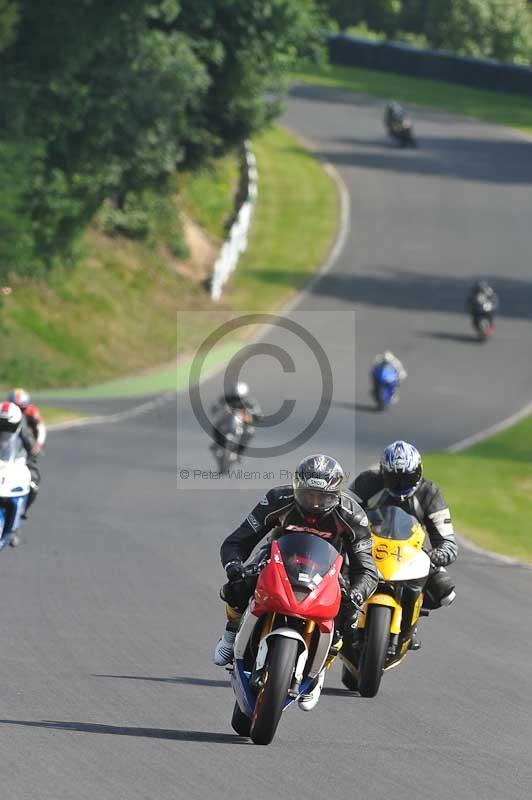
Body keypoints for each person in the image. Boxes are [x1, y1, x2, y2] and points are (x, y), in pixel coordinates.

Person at [213, 454, 379, 712]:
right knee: (238, 584)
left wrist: (357, 594)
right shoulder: (278, 499)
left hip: (326, 573)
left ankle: (320, 669)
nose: (314, 503)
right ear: (296, 488)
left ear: (335, 495)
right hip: (277, 560)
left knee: (348, 614)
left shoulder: (352, 515)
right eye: (308, 495)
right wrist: (234, 564)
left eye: (321, 497)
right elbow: (238, 540)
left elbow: (367, 568)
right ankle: (231, 631)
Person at [350, 440, 457, 652]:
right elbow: (343, 512)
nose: (400, 484)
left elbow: (448, 541)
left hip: (409, 552)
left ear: (419, 472)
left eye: (407, 478)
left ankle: (410, 625)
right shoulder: (367, 482)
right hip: (366, 546)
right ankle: (341, 616)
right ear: (383, 472)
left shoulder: (429, 493)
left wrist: (437, 554)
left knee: (445, 593)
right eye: (394, 478)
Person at [0, 402, 40, 543]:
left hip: (18, 461)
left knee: (33, 482)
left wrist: (34, 452)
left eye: (7, 424)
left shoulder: (22, 429)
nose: (4, 427)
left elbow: (32, 446)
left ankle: (22, 512)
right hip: (1, 461)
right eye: (1, 423)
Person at [210, 382, 262, 455]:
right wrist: (217, 409)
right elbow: (215, 407)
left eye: (239, 398)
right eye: (233, 398)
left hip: (242, 421)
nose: (236, 400)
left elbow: (257, 412)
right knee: (217, 425)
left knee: (250, 431)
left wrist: (256, 416)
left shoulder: (249, 401)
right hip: (227, 420)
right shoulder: (224, 398)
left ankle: (239, 451)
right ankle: (217, 443)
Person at [7, 388, 47, 455]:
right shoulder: (5, 411)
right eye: (16, 407)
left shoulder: (32, 410)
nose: (19, 410)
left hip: (28, 441)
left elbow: (41, 427)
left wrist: (38, 443)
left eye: (22, 408)